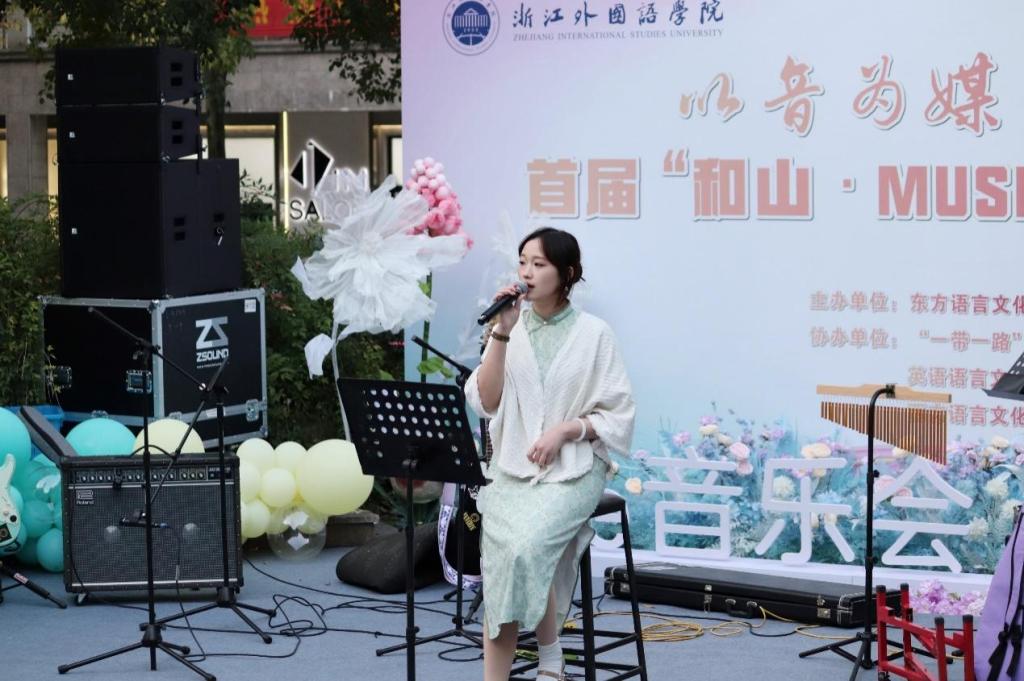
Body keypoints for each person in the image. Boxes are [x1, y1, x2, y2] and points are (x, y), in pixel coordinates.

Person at [465, 227, 635, 680]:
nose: (526, 272)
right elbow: (485, 401)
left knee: (527, 545)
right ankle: (540, 661)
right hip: (514, 468)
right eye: (522, 262)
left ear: (568, 273)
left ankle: (551, 656)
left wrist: (565, 430)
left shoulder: (595, 334)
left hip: (575, 468)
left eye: (539, 264)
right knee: (504, 557)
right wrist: (501, 333)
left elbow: (618, 413)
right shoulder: (508, 328)